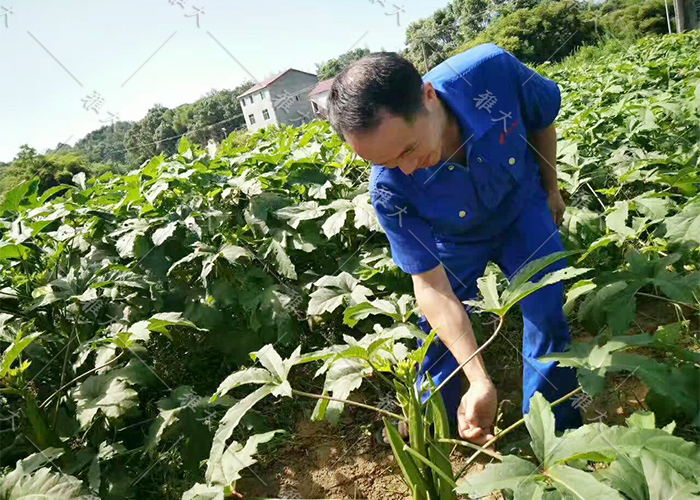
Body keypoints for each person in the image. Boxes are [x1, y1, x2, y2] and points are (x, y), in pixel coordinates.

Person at [325, 44, 583, 446]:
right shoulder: (389, 189)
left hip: (521, 206)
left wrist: (552, 188)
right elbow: (430, 287)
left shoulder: (490, 72)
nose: (406, 169)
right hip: (456, 237)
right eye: (387, 163)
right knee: (438, 337)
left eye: (408, 150)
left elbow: (540, 121)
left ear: (428, 96)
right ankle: (438, 430)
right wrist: (479, 378)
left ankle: (555, 433)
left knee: (546, 314)